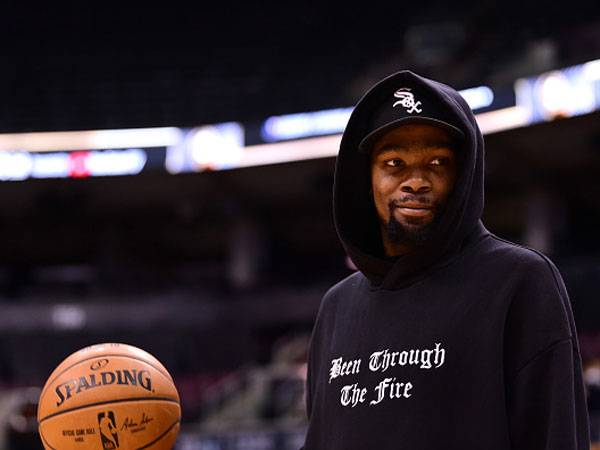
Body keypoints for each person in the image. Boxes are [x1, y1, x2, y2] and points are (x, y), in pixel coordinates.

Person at [301, 70, 590, 449]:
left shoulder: (519, 280)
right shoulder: (337, 307)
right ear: (366, 178)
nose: (416, 181)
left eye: (437, 163)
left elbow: (552, 436)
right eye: (394, 163)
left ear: (464, 174)